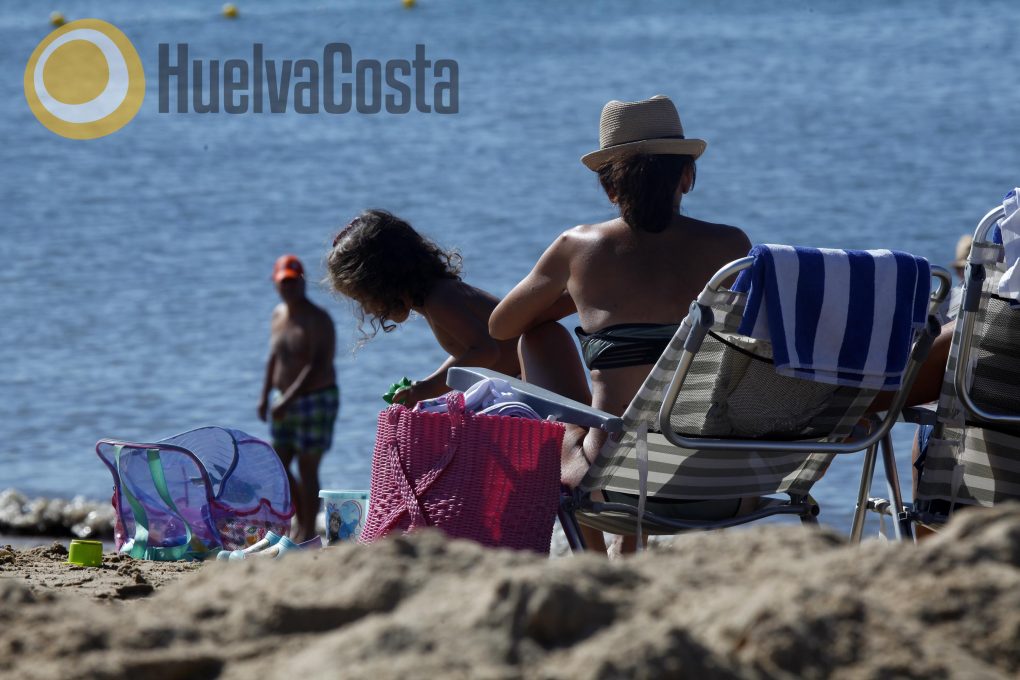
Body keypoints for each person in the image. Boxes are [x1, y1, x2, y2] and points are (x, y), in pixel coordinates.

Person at [488, 95, 752, 554]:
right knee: (678, 382)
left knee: (537, 338)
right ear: (686, 178)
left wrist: (584, 294)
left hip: (612, 483)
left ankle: (594, 554)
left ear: (610, 188)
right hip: (716, 478)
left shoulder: (579, 246)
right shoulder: (732, 247)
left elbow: (502, 326)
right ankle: (629, 545)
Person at [326, 209, 521, 406]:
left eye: (363, 299)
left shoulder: (441, 299)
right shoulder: (435, 299)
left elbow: (486, 351)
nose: (367, 310)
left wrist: (426, 389)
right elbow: (468, 353)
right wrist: (424, 386)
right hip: (521, 385)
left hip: (532, 384)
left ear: (384, 281)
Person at [258, 254, 339, 542]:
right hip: (284, 399)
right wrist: (264, 396)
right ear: (275, 283)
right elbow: (274, 357)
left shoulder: (318, 319)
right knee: (278, 462)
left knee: (307, 467)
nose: (288, 288)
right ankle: (300, 520)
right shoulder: (278, 315)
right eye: (284, 282)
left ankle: (306, 530)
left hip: (315, 399)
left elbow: (317, 365)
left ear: (303, 282)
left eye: (293, 282)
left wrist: (287, 399)